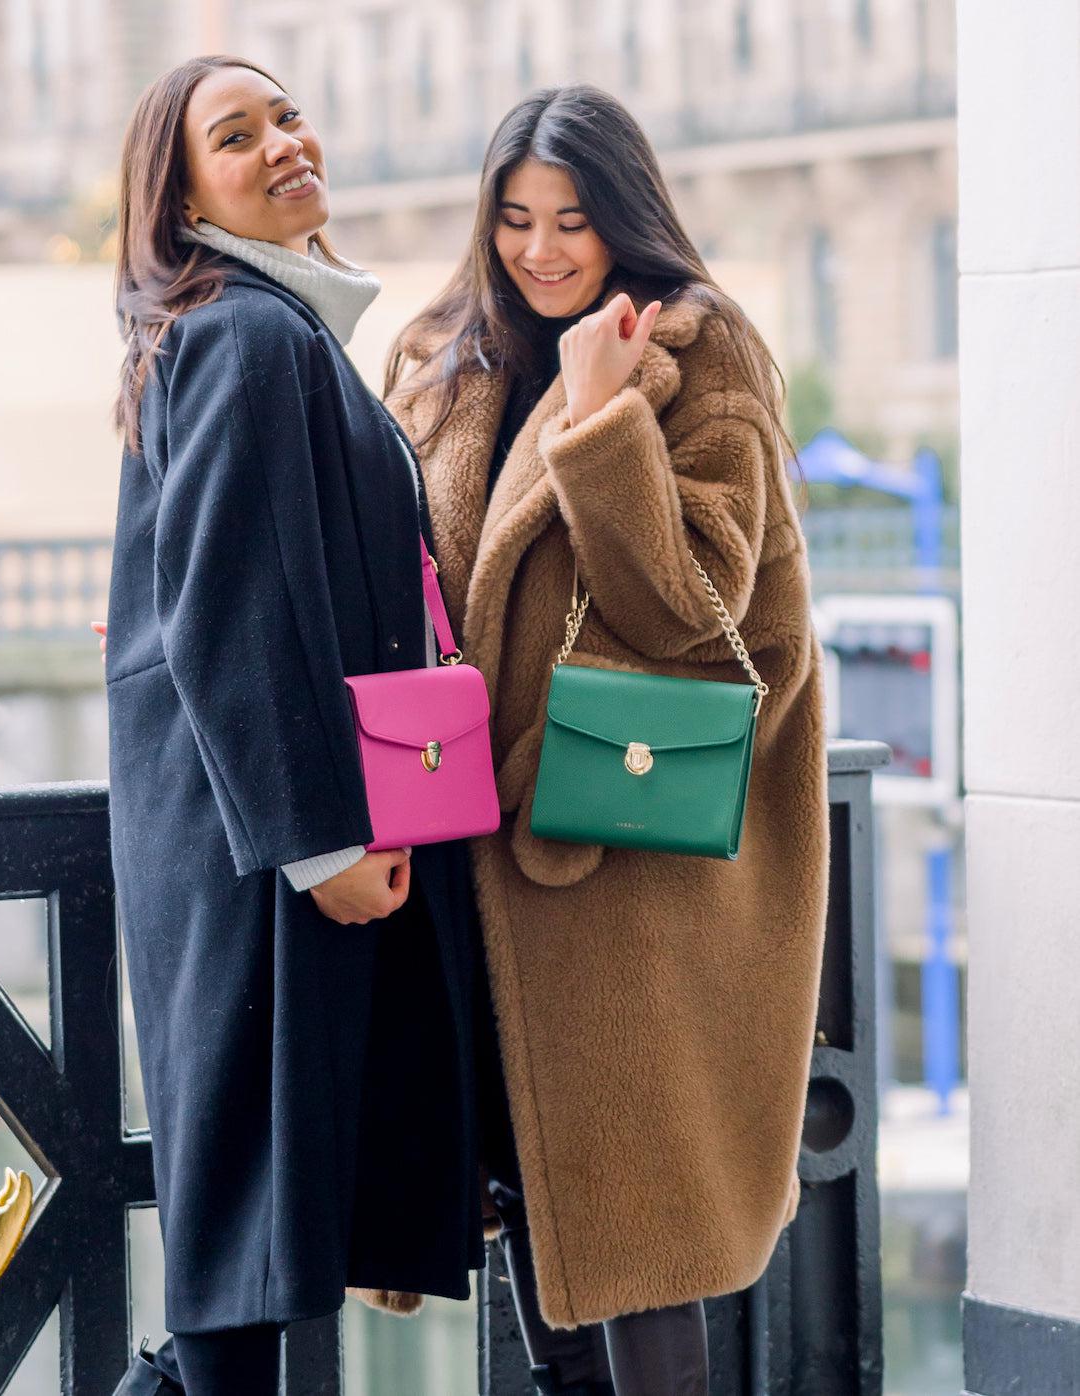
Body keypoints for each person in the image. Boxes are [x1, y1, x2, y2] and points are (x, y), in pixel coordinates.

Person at [382, 85, 830, 1395]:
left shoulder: (700, 355)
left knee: (640, 1249)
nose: (541, 250)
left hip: (625, 869)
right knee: (537, 1215)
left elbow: (695, 605)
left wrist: (600, 419)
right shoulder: (445, 357)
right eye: (516, 218)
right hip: (477, 853)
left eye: (572, 221)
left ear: (624, 219)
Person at [101, 55, 484, 1396]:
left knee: (256, 1228)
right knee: (244, 1237)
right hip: (260, 852)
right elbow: (227, 613)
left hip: (245, 839)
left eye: (288, 118)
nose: (282, 144)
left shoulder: (264, 328)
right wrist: (326, 843)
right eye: (236, 134)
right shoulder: (249, 335)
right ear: (181, 189)